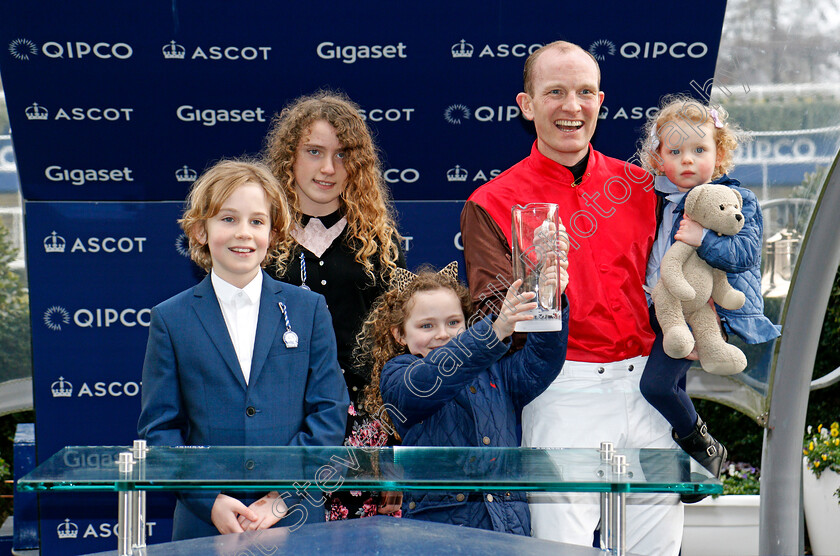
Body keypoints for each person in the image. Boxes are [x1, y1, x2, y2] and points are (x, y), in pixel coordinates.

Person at [460, 41, 683, 554]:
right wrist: (541, 285)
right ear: (526, 104)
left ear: (600, 101)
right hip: (561, 391)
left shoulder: (643, 186)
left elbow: (679, 274)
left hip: (649, 387)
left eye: (584, 92)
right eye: (554, 92)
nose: (572, 107)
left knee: (658, 547)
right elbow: (493, 320)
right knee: (559, 549)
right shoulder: (491, 202)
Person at [137, 159, 349, 541]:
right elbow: (160, 430)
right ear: (201, 230)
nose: (244, 234)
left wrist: (283, 498)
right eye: (228, 219)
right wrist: (210, 500)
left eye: (257, 221)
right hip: (205, 525)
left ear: (273, 231)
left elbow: (329, 414)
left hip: (294, 518)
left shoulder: (309, 309)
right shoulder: (170, 319)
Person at [263, 91, 406, 520]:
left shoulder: (377, 244)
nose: (328, 168)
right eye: (314, 152)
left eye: (343, 156)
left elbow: (395, 352)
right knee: (280, 538)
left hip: (364, 430)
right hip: (284, 428)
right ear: (290, 157)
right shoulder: (261, 240)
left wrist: (391, 451)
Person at [358, 261, 570, 534]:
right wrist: (494, 332)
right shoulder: (398, 374)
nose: (443, 334)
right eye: (426, 326)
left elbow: (541, 362)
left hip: (507, 527)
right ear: (400, 334)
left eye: (454, 322)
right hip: (438, 533)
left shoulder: (496, 371)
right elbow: (427, 382)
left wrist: (547, 301)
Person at [637, 95, 781, 497]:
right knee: (672, 387)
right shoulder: (652, 199)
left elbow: (747, 254)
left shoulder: (734, 199)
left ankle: (706, 450)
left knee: (658, 387)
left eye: (699, 149)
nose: (687, 160)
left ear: (718, 155)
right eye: (675, 151)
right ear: (657, 158)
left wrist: (703, 239)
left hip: (704, 309)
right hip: (660, 307)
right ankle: (688, 475)